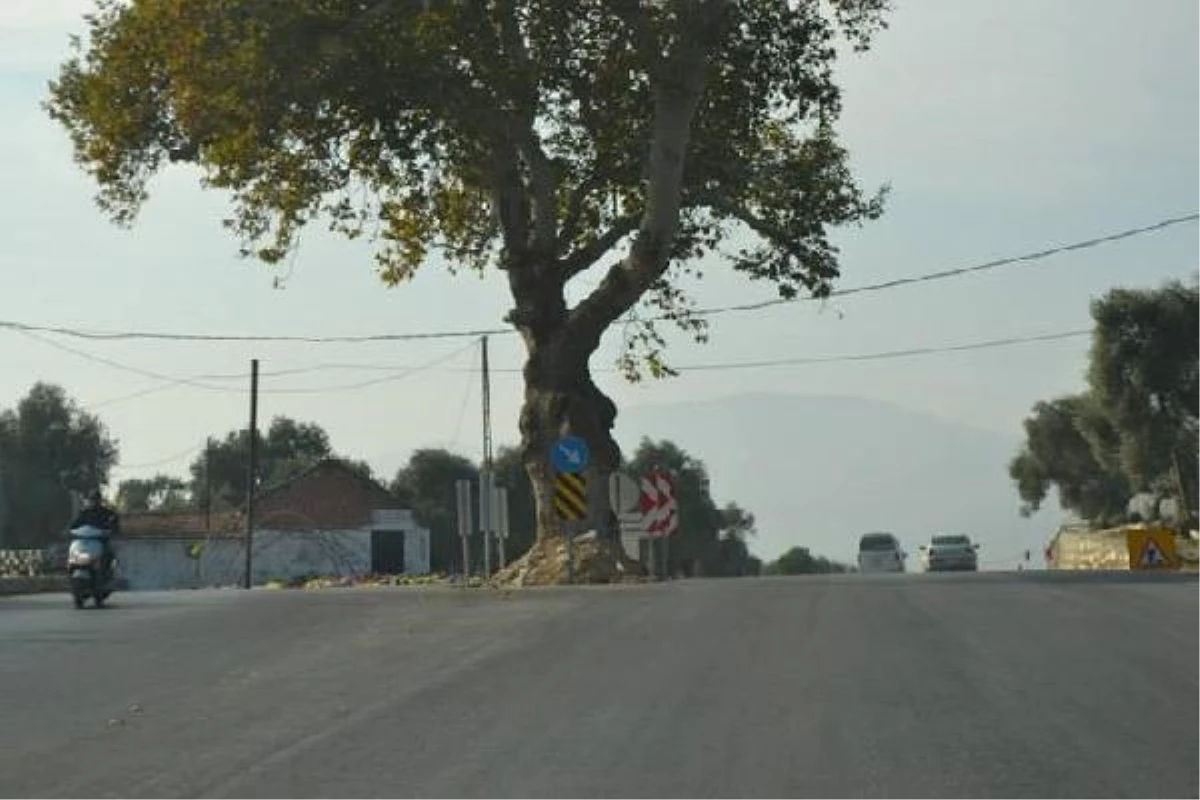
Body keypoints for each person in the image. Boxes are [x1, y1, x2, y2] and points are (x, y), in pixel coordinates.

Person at [71, 489, 119, 577]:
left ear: (100, 500)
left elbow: (114, 523)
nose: (94, 502)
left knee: (108, 554)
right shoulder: (85, 513)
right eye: (92, 499)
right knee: (73, 554)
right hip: (84, 542)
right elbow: (75, 524)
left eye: (96, 499)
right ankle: (71, 570)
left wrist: (111, 529)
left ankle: (107, 574)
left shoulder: (107, 513)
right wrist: (68, 531)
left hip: (101, 541)